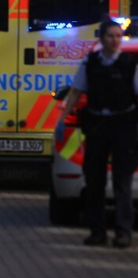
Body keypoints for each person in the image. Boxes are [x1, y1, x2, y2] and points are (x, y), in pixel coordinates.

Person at [57, 20, 138, 248]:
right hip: (97, 127)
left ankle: (123, 232)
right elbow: (76, 92)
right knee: (95, 182)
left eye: (118, 36)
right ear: (101, 38)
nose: (115, 40)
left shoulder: (129, 65)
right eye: (111, 36)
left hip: (123, 126)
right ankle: (97, 232)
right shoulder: (90, 62)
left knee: (122, 182)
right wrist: (62, 119)